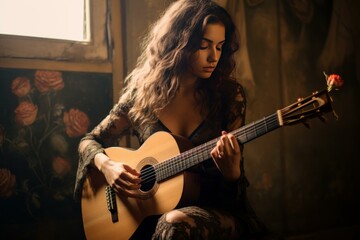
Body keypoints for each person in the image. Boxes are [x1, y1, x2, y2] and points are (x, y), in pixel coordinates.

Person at [74, 0, 278, 239]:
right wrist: (108, 167)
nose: (214, 57)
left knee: (174, 224)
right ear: (179, 43)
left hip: (215, 211)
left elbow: (234, 196)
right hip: (148, 213)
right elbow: (89, 140)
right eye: (204, 46)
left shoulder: (229, 98)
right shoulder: (142, 97)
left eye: (220, 47)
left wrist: (232, 173)